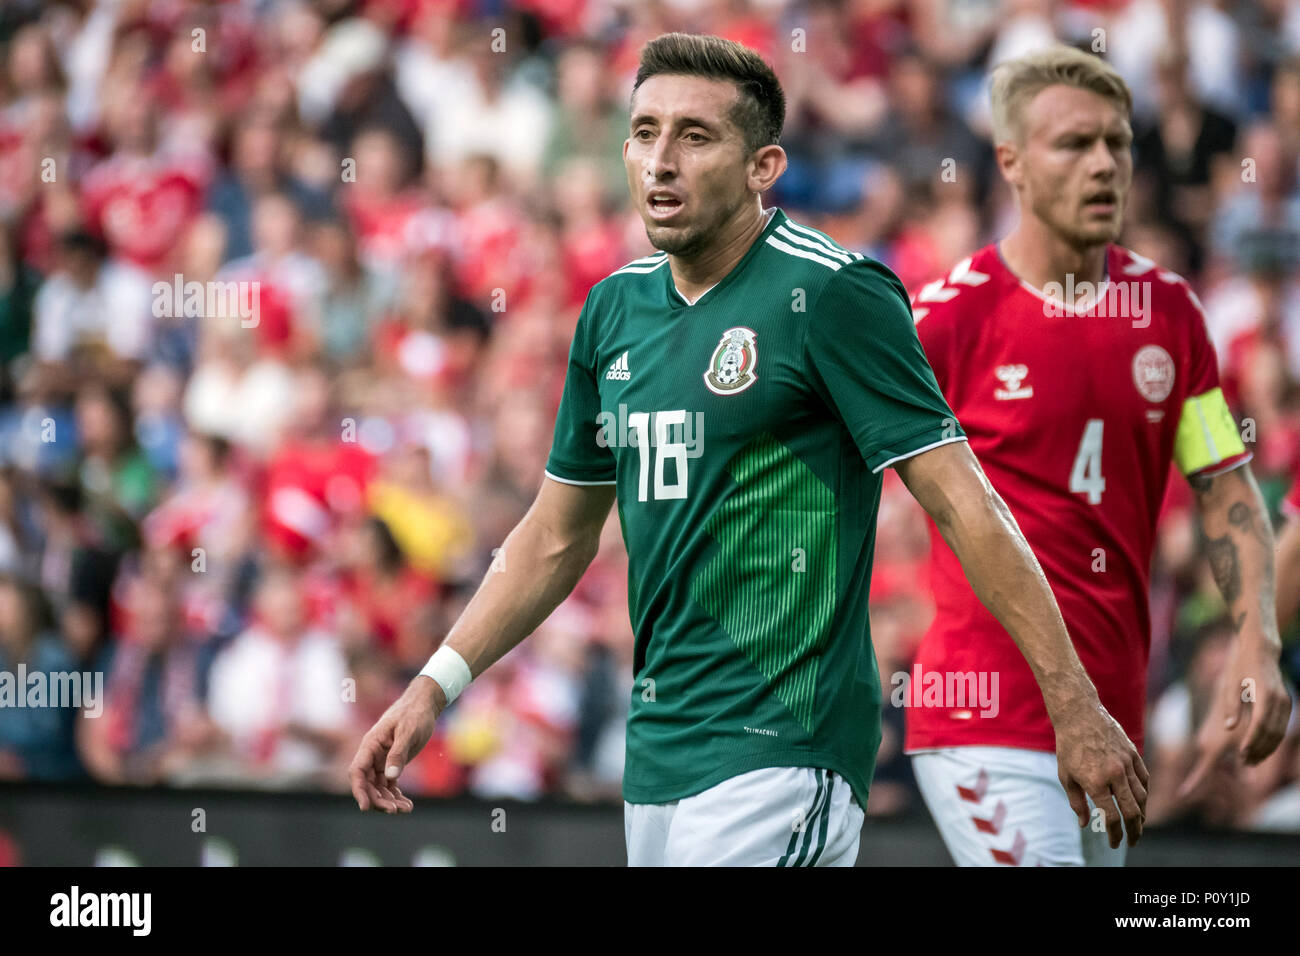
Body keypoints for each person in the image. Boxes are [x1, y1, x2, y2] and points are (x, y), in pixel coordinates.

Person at [349, 32, 1146, 867]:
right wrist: (434, 683)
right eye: (646, 132)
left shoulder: (834, 293)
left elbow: (964, 501)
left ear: (764, 166)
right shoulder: (611, 312)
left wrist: (1074, 702)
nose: (662, 160)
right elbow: (555, 535)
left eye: (695, 137)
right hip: (655, 754)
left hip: (783, 748)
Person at [906, 45, 1292, 867]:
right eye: (1074, 144)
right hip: (985, 713)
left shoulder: (1170, 314)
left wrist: (1258, 637)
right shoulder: (946, 323)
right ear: (1009, 162)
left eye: (1117, 143)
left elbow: (1224, 489)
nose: (1106, 164)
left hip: (1115, 728)